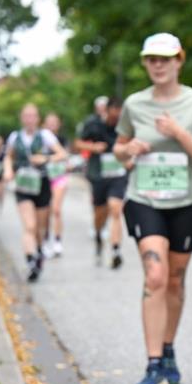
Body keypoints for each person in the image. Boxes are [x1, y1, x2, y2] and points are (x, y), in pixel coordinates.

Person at [112, 33, 192, 384]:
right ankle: (153, 363)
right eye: (151, 59)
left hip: (187, 203)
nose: (157, 65)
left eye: (165, 58)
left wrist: (178, 133)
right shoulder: (134, 104)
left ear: (179, 60)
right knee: (155, 276)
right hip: (144, 200)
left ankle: (169, 347)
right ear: (145, 63)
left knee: (174, 280)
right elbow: (118, 152)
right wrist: (128, 149)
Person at [3, 103, 68, 282]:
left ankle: (39, 252)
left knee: (39, 228)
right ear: (21, 118)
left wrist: (45, 158)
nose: (29, 119)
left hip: (42, 185)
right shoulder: (15, 137)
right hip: (23, 185)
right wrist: (8, 170)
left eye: (33, 116)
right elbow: (9, 156)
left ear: (37, 118)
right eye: (26, 115)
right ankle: (30, 260)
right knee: (29, 226)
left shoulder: (45, 136)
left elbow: (62, 154)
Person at [76, 97, 128, 268]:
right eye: (114, 117)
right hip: (98, 174)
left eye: (119, 117)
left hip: (118, 174)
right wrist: (93, 148)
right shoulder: (93, 124)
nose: (116, 120)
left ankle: (115, 250)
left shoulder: (125, 126)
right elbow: (78, 143)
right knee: (100, 214)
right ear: (107, 111)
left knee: (115, 208)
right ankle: (98, 236)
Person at [42, 113, 70, 258]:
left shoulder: (62, 140)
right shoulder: (41, 139)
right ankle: (45, 240)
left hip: (59, 177)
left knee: (57, 210)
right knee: (45, 212)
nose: (52, 125)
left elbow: (66, 156)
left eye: (55, 122)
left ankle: (57, 241)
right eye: (49, 122)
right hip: (45, 177)